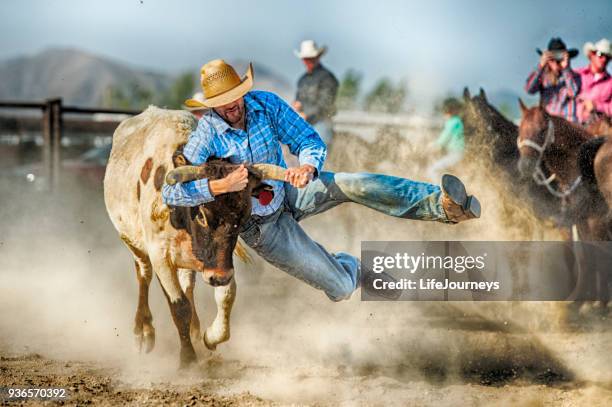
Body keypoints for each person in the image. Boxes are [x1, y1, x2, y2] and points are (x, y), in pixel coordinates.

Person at [165, 59, 481, 301]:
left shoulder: (266, 104)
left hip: (289, 189)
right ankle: (355, 271)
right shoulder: (205, 133)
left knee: (354, 182)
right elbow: (171, 191)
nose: (231, 105)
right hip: (260, 226)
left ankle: (442, 205)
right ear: (211, 106)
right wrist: (219, 187)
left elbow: (309, 140)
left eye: (235, 95)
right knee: (341, 288)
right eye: (222, 101)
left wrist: (307, 167)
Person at [292, 40, 339, 146]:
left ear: (317, 57)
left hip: (321, 122)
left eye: (311, 59)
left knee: (320, 147)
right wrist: (296, 104)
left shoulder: (327, 78)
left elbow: (325, 104)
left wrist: (307, 115)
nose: (308, 61)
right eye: (306, 59)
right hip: (304, 123)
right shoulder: (302, 79)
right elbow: (298, 99)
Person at [525, 37, 581, 123]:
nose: (555, 62)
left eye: (558, 58)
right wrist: (540, 66)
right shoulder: (542, 77)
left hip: (567, 125)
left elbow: (573, 93)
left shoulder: (575, 77)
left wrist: (566, 69)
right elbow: (529, 90)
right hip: (547, 124)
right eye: (552, 58)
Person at [426, 98, 465, 182]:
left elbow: (444, 139)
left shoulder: (453, 122)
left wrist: (433, 146)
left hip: (456, 154)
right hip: (457, 153)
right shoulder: (457, 121)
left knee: (432, 170)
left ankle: (439, 192)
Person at [575, 38, 612, 124]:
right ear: (592, 54)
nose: (604, 59)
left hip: (596, 129)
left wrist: (596, 105)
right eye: (600, 54)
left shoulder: (610, 83)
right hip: (573, 125)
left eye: (608, 57)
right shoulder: (577, 74)